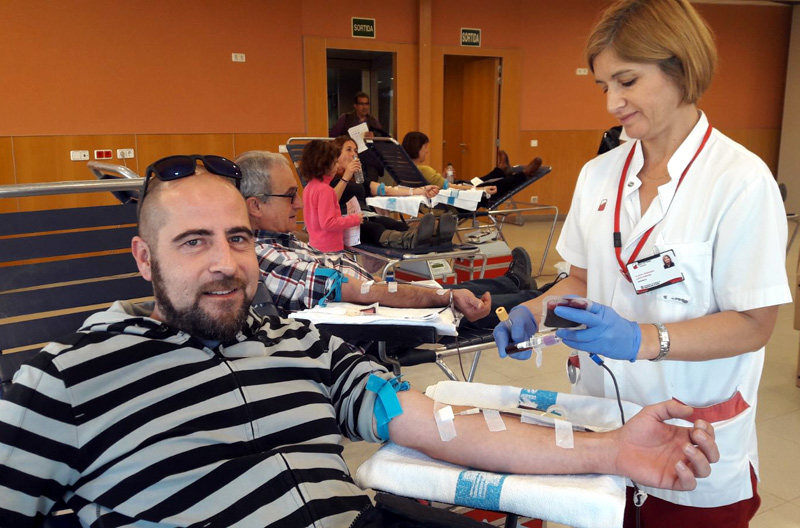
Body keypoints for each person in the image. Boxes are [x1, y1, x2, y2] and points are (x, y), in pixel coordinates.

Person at [0, 156, 720, 527]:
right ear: (143, 259)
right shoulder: (65, 382)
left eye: (239, 237)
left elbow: (432, 423)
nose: (224, 262)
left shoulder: (299, 345)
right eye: (193, 242)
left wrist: (611, 449)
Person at [492, 1, 791, 526]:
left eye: (626, 81)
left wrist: (642, 340)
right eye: (604, 85)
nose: (612, 103)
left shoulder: (739, 182)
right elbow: (583, 277)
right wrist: (535, 312)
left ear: (679, 66)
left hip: (691, 440)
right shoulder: (600, 175)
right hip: (602, 429)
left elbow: (754, 324)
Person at [235, 150, 540, 330]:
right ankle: (540, 299)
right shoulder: (264, 260)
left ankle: (515, 281)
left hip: (381, 299)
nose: (299, 204)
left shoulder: (283, 244)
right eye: (290, 196)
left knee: (446, 290)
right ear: (255, 206)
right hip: (389, 319)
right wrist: (443, 298)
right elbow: (357, 292)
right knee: (458, 299)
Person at [330, 136, 455, 247]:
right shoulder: (329, 178)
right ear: (336, 154)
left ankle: (435, 237)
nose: (354, 154)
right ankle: (410, 240)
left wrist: (419, 191)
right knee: (375, 228)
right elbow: (329, 201)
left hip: (366, 216)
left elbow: (387, 190)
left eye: (356, 150)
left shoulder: (358, 179)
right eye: (349, 150)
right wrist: (345, 177)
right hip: (346, 222)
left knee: (395, 224)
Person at [401, 131, 544, 202]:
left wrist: (443, 178)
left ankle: (501, 170)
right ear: (417, 148)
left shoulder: (407, 169)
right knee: (494, 186)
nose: (427, 151)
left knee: (479, 180)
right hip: (454, 200)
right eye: (425, 147)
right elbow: (449, 187)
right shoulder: (424, 169)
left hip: (444, 196)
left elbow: (436, 185)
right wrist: (478, 190)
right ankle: (523, 174)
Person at [300, 139, 363, 252]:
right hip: (330, 247)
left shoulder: (309, 187)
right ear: (325, 165)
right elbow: (328, 223)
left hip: (315, 244)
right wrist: (354, 219)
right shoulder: (325, 190)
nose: (337, 166)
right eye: (335, 163)